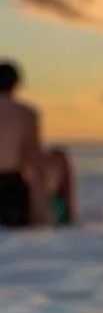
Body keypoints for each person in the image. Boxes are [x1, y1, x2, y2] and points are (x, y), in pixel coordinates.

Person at [0, 60, 47, 226]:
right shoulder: (25, 113)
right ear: (17, 84)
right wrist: (41, 211)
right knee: (60, 157)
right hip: (9, 192)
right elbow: (33, 162)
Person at [44, 147, 77, 225]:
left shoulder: (60, 202)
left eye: (56, 169)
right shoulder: (37, 197)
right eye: (49, 166)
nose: (51, 173)